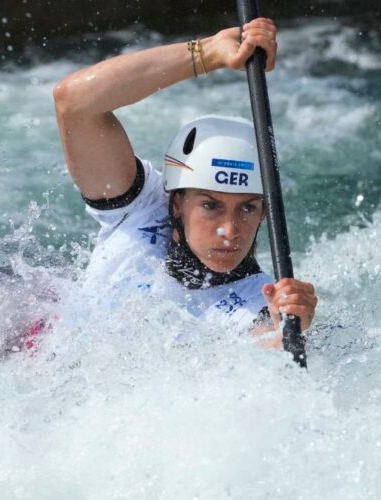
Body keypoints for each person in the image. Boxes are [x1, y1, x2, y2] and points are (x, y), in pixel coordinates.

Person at [52, 18, 317, 348]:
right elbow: (74, 103)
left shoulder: (260, 300)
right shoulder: (140, 207)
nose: (230, 230)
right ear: (176, 202)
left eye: (247, 207)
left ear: (265, 211)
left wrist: (294, 330)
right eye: (210, 205)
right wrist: (205, 54)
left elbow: (264, 347)